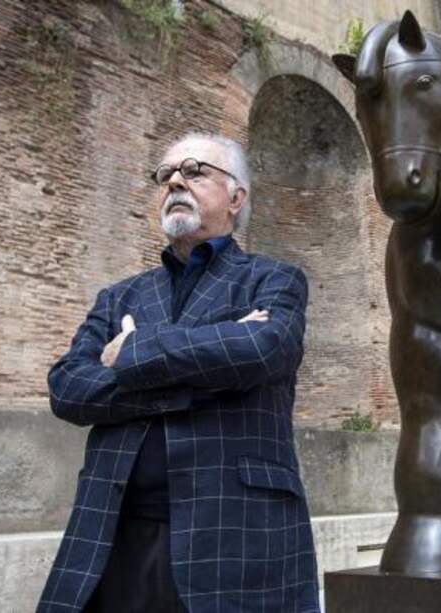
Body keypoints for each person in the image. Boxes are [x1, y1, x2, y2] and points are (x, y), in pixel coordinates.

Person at [37, 133, 320, 613]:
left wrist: (135, 349)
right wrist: (199, 376)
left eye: (193, 170)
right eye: (164, 174)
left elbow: (262, 348)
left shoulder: (273, 279)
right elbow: (68, 389)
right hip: (114, 531)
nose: (173, 181)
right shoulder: (118, 298)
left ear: (236, 198)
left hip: (236, 529)